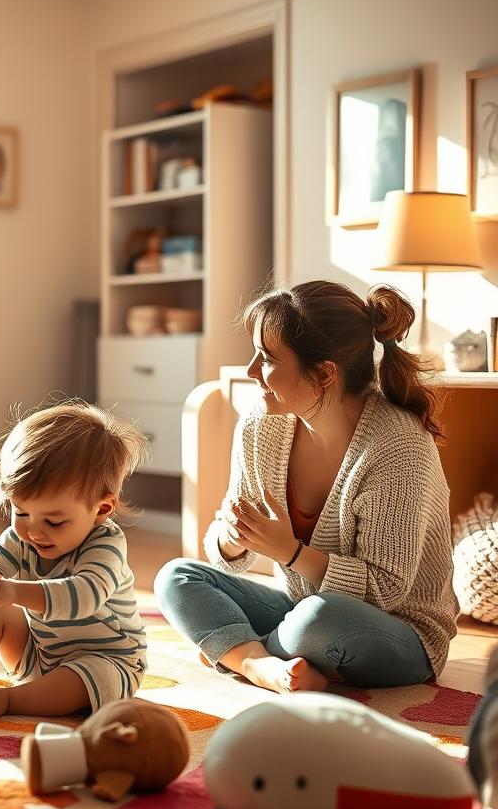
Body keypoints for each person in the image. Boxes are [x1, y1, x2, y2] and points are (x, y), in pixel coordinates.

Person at [155, 280, 459, 694]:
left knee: (315, 620)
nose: (249, 371)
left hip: (399, 632)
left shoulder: (398, 446)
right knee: (177, 577)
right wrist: (233, 538)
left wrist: (289, 552)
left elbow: (387, 591)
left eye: (266, 358)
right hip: (300, 611)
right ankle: (262, 663)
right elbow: (227, 557)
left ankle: (238, 652)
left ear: (324, 374)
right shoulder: (260, 427)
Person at [0, 402, 149, 721]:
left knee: (87, 672)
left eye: (54, 521)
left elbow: (85, 595)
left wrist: (14, 592)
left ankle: (12, 700)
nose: (33, 530)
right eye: (21, 512)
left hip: (108, 664)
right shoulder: (23, 538)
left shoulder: (106, 546)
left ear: (101, 510)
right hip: (39, 657)